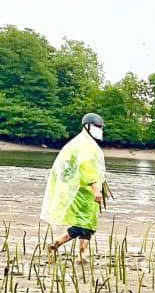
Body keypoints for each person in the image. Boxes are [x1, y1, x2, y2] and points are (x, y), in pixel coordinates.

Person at [41, 112, 107, 262]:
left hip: (85, 191)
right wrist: (96, 190)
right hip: (85, 192)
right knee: (83, 223)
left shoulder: (84, 143)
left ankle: (81, 255)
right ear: (88, 126)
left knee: (88, 223)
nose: (99, 129)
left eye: (101, 127)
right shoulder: (84, 145)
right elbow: (87, 169)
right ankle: (56, 245)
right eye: (97, 126)